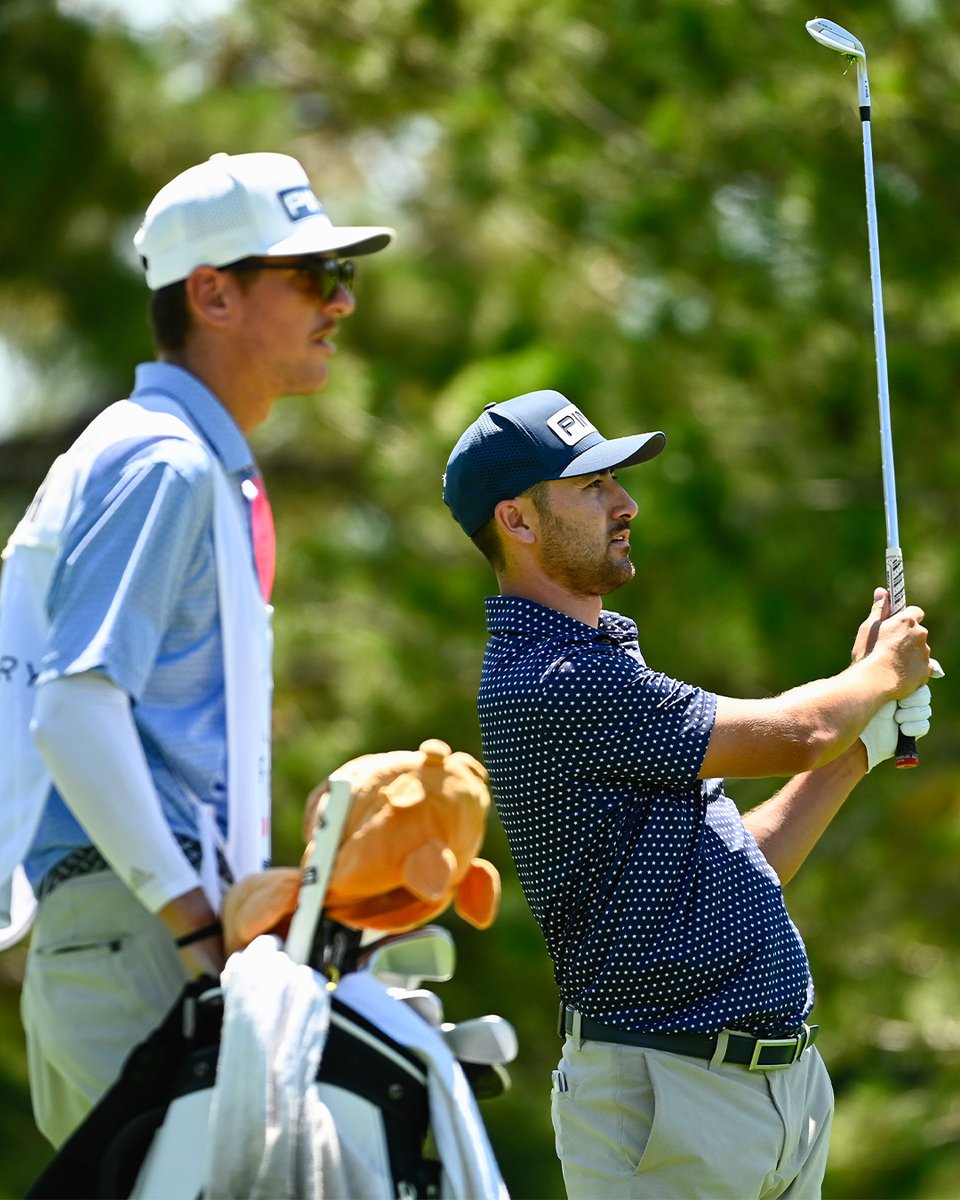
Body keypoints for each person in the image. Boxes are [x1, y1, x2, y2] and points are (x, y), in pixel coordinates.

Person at [441, 389, 936, 1199]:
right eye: (592, 486)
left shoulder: (603, 664)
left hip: (775, 1099)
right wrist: (878, 675)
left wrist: (860, 749)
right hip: (664, 1103)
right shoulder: (552, 678)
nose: (625, 503)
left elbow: (746, 871)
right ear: (517, 521)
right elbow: (801, 730)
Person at [7, 150, 394, 1147]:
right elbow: (74, 708)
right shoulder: (164, 460)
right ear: (213, 294)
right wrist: (191, 928)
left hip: (139, 920)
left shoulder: (183, 457)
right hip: (140, 925)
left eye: (342, 273)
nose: (341, 301)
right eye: (312, 274)